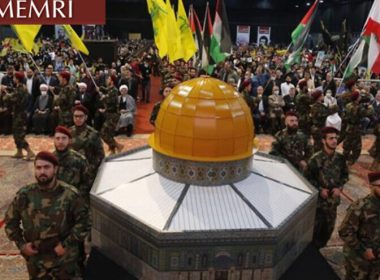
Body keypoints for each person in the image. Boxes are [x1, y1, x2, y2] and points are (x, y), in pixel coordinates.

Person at [4, 151, 90, 279]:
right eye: (38, 168)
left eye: (46, 167)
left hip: (65, 262)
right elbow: (10, 222)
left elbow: (84, 222)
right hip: (37, 263)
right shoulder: (25, 195)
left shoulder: (70, 195)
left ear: (55, 169)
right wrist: (21, 244)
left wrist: (66, 244)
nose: (42, 171)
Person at [305, 126, 349, 249]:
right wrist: (319, 189)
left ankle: (320, 248)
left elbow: (345, 175)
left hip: (332, 204)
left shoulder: (340, 159)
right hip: (318, 205)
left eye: (335, 138)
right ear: (324, 141)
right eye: (331, 138)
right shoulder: (315, 159)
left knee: (328, 231)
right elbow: (307, 179)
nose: (334, 141)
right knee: (313, 232)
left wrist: (339, 187)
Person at [338, 171, 380, 280]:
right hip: (358, 259)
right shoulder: (361, 206)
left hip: (376, 260)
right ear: (371, 186)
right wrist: (363, 250)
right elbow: (344, 231)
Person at [3, 71, 35, 160]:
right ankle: (19, 151)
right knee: (16, 132)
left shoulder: (20, 89)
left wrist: (5, 93)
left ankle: (29, 151)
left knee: (19, 134)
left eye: (14, 78)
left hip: (20, 114)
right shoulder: (21, 87)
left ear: (17, 79)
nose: (13, 79)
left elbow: (10, 98)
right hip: (19, 113)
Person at [53, 126, 91, 199]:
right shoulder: (49, 160)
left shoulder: (79, 160)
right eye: (57, 138)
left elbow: (87, 184)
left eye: (64, 138)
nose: (60, 141)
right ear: (54, 140)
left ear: (69, 141)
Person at [70, 104, 105, 184]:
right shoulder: (69, 132)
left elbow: (100, 155)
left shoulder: (93, 134)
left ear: (86, 117)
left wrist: (90, 169)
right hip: (71, 172)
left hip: (88, 174)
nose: (78, 119)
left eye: (80, 116)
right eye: (75, 116)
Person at [343, 90, 374, 165]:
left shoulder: (348, 105)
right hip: (355, 129)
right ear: (357, 98)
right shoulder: (358, 107)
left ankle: (344, 159)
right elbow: (368, 113)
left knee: (347, 145)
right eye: (359, 96)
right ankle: (351, 161)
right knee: (357, 147)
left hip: (348, 127)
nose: (360, 97)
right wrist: (370, 107)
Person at [98, 75, 124, 155]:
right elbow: (106, 90)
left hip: (113, 116)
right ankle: (112, 150)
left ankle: (118, 145)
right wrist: (101, 89)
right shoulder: (110, 90)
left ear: (112, 81)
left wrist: (103, 97)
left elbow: (111, 101)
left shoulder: (114, 90)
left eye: (108, 79)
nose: (107, 80)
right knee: (109, 133)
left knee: (103, 133)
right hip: (109, 114)